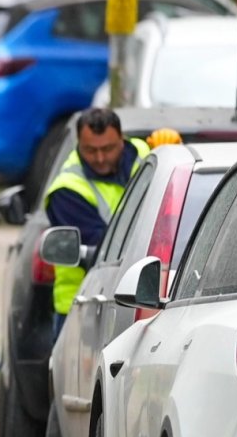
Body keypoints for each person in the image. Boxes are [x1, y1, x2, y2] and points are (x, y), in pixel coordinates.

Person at [45, 109, 178, 337]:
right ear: (79, 144)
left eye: (107, 149)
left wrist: (173, 151)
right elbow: (105, 250)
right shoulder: (67, 189)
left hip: (150, 299)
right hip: (82, 307)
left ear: (121, 140)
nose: (99, 158)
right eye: (90, 150)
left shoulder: (149, 156)